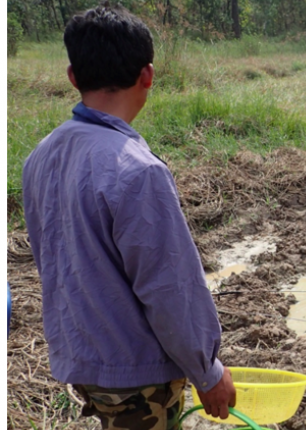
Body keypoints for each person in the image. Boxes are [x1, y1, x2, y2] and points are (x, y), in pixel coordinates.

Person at [22, 4, 236, 429]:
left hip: (81, 357)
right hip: (137, 375)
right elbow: (169, 288)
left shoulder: (41, 155)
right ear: (148, 75)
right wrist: (207, 371)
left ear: (72, 76)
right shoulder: (138, 171)